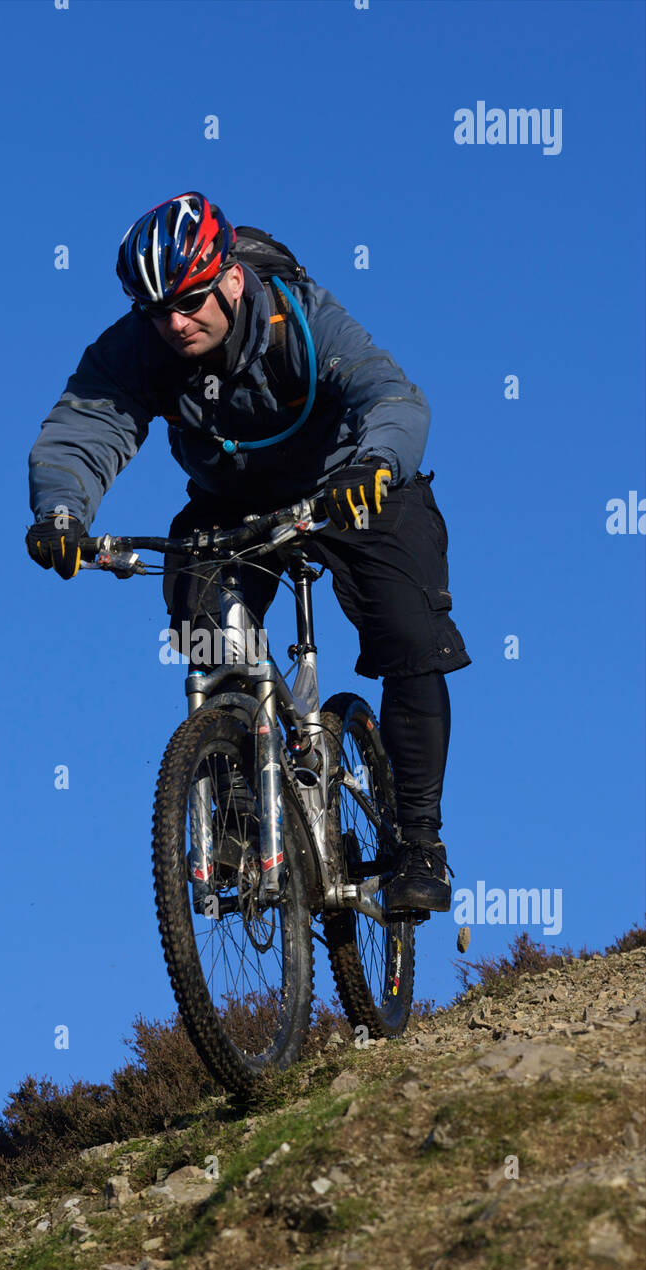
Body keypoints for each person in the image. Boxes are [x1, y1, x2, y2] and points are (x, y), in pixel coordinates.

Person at [26, 191, 470, 914]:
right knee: (202, 616)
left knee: (410, 639)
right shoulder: (139, 345)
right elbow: (84, 427)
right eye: (157, 311)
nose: (175, 322)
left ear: (229, 279)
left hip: (351, 481)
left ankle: (419, 843)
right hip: (235, 501)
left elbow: (389, 394)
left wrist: (374, 463)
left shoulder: (299, 315)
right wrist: (61, 513)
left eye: (190, 301)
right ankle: (237, 805)